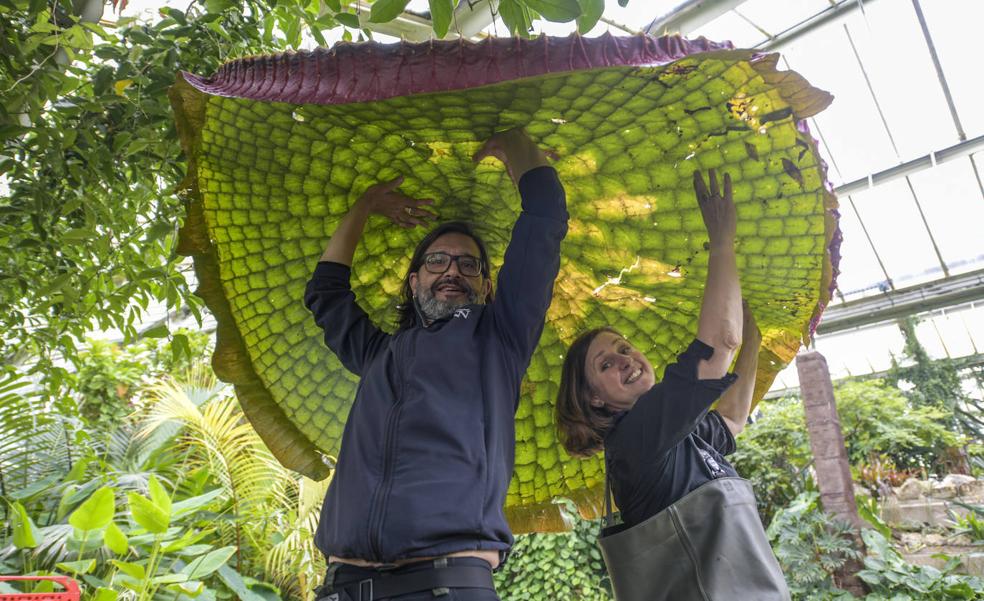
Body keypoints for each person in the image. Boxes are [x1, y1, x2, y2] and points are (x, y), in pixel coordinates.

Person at [304, 128, 568, 601]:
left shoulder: (501, 338)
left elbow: (545, 215)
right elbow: (325, 294)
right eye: (438, 261)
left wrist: (516, 145)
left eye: (469, 265)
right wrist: (364, 205)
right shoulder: (377, 353)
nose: (452, 270)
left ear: (487, 287)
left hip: (446, 584)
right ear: (413, 281)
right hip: (344, 586)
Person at [554, 169, 790, 601]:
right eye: (607, 362)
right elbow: (721, 342)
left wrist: (754, 338)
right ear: (594, 398)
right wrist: (721, 239)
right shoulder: (637, 436)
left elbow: (733, 419)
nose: (626, 359)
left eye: (624, 347)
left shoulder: (674, 435)